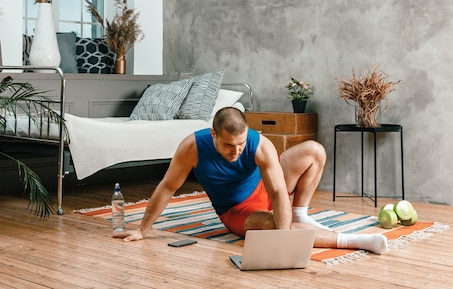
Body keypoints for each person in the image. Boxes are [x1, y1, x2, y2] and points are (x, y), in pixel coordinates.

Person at [116, 107, 387, 254]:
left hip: (265, 188)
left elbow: (279, 192)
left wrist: (284, 239)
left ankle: (300, 216)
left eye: (241, 144)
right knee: (269, 225)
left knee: (314, 151)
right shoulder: (192, 148)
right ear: (213, 135)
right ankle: (355, 241)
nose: (236, 152)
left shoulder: (259, 144)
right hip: (237, 210)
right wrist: (142, 230)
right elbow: (167, 187)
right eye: (228, 146)